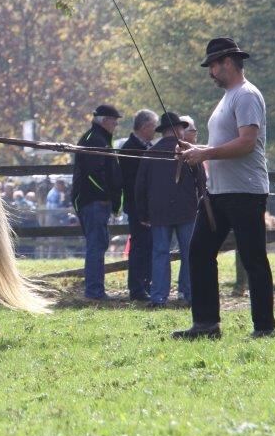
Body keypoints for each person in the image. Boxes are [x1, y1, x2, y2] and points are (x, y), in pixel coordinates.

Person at [174, 38, 275, 339]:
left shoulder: (246, 95)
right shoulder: (228, 98)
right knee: (199, 252)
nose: (211, 73)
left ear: (228, 62)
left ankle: (265, 327)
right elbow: (223, 145)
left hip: (245, 191)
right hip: (219, 192)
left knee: (253, 258)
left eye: (213, 66)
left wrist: (204, 154)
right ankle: (206, 324)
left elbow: (246, 143)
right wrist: (198, 148)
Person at [135, 112, 198, 307]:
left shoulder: (150, 153)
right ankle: (187, 294)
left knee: (160, 253)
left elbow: (140, 187)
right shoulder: (189, 153)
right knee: (189, 253)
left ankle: (159, 297)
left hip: (159, 212)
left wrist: (143, 213)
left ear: (163, 131)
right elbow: (201, 182)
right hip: (186, 211)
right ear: (178, 130)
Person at [72, 104, 124, 300]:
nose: (116, 124)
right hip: (94, 201)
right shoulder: (94, 140)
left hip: (97, 201)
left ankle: (96, 290)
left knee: (98, 245)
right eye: (114, 121)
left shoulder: (99, 139)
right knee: (96, 246)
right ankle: (94, 291)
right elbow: (93, 174)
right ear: (104, 121)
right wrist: (107, 194)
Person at [119, 109, 159, 301]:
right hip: (138, 207)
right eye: (153, 125)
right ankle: (137, 287)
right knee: (139, 247)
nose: (155, 130)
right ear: (145, 126)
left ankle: (146, 283)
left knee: (148, 246)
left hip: (146, 207)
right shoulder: (130, 149)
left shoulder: (145, 147)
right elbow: (134, 183)